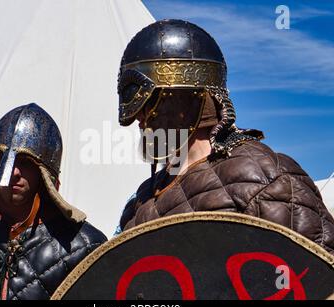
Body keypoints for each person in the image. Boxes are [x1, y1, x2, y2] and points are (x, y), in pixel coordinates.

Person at [116, 19, 334, 254]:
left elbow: (316, 276)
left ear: (178, 98)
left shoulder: (264, 175)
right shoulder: (142, 199)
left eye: (147, 105)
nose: (138, 118)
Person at [0, 103, 107, 299]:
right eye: (4, 161)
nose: (14, 172)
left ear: (45, 174)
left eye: (25, 163)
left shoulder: (82, 247)